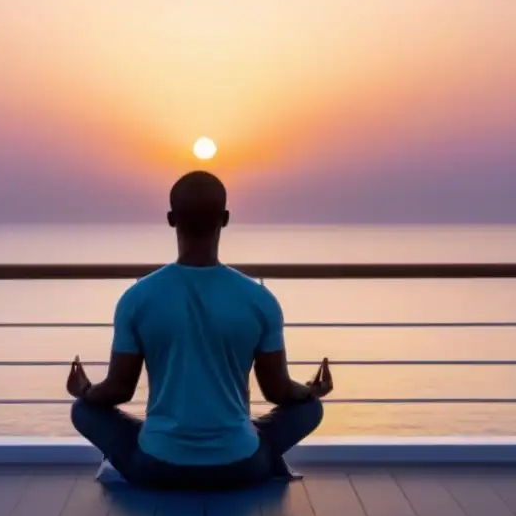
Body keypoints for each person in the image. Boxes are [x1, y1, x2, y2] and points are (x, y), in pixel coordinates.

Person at [67, 170, 330, 490]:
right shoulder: (259, 299)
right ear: (226, 218)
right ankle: (248, 448)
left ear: (170, 219)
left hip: (157, 467)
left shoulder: (137, 298)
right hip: (242, 467)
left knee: (83, 410)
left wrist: (84, 390)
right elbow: (277, 391)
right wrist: (309, 391)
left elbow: (119, 390)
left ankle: (164, 444)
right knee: (310, 410)